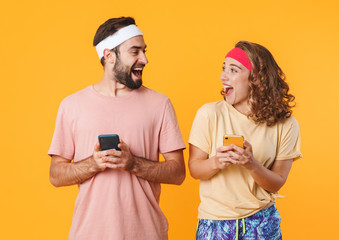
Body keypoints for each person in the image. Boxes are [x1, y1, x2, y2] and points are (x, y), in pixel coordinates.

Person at [48, 17, 186, 240]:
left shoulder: (160, 104)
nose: (145, 59)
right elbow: (56, 175)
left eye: (144, 51)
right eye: (135, 51)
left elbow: (178, 173)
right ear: (109, 55)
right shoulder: (72, 106)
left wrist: (133, 164)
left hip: (147, 234)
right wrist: (94, 163)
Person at [188, 41, 302, 239]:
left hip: (262, 223)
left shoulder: (286, 124)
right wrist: (217, 162)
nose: (223, 76)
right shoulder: (209, 114)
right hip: (215, 223)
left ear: (256, 78)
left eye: (233, 70)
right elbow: (194, 169)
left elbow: (277, 183)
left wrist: (251, 164)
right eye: (224, 69)